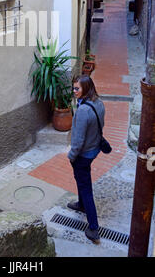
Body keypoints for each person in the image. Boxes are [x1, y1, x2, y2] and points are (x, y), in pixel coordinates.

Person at [67, 75, 105, 243]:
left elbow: (78, 140)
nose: (74, 91)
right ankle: (81, 204)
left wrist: (71, 156)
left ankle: (93, 227)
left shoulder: (83, 110)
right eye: (73, 88)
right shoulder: (98, 102)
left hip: (83, 154)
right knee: (82, 179)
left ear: (86, 89)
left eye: (77, 88)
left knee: (85, 186)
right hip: (94, 149)